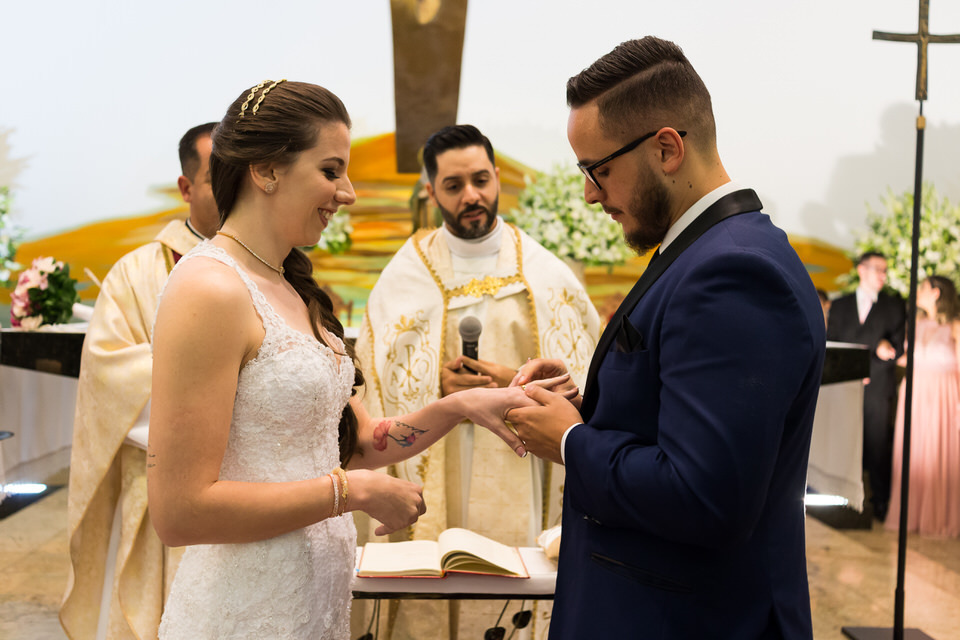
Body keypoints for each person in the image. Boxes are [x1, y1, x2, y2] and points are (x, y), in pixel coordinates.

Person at [146, 81, 543, 640]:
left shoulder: (291, 285)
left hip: (313, 606)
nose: (349, 192)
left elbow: (359, 443)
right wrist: (350, 492)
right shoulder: (209, 288)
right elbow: (180, 511)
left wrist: (461, 405)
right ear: (266, 171)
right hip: (243, 610)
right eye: (331, 171)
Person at [505, 37, 826, 639]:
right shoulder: (708, 251)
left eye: (598, 169)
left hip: (686, 619)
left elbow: (706, 496)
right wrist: (588, 408)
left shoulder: (733, 273)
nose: (590, 193)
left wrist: (572, 442)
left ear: (668, 148)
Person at [354, 123, 600, 639]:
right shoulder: (407, 274)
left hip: (521, 460)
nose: (472, 196)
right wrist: (437, 390)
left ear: (496, 180)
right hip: (441, 456)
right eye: (454, 185)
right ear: (432, 191)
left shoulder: (545, 273)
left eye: (481, 180)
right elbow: (378, 376)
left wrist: (516, 381)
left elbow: (587, 377)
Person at [61, 122, 219, 640]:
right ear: (186, 187)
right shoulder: (136, 273)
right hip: (163, 489)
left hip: (256, 488)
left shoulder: (279, 266)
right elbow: (109, 376)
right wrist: (222, 390)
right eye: (219, 176)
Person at [827, 251, 906, 521]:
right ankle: (840, 499)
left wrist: (878, 359)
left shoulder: (894, 306)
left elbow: (897, 349)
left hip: (878, 387)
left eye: (885, 271)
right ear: (862, 270)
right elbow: (832, 343)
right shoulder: (839, 305)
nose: (883, 275)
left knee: (877, 445)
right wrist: (850, 371)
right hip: (843, 387)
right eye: (877, 269)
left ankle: (880, 502)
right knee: (843, 441)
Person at [885, 275, 960, 537]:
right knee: (914, 450)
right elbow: (908, 358)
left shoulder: (955, 325)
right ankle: (912, 516)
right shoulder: (915, 322)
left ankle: (938, 518)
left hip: (944, 394)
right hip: (915, 390)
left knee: (939, 451)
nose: (918, 292)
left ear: (937, 293)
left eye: (923, 287)